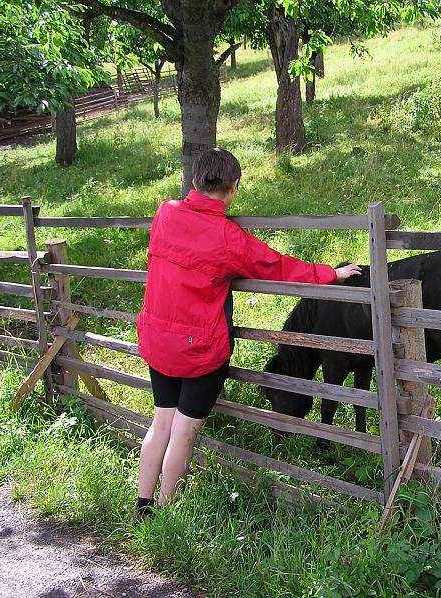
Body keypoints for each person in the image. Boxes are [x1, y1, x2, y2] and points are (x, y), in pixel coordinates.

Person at [135, 148, 361, 516]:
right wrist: (329, 273)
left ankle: (143, 504)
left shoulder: (165, 213)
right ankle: (164, 508)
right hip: (199, 350)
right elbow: (276, 266)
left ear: (195, 181)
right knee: (184, 431)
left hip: (158, 339)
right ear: (234, 187)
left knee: (162, 422)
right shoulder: (228, 237)